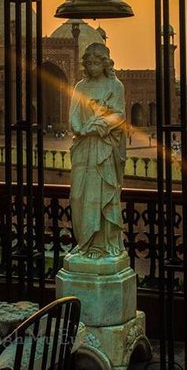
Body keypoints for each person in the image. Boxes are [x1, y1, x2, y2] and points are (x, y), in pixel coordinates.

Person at [68, 43, 126, 259]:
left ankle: (101, 245)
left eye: (96, 63)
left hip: (104, 147)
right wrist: (81, 128)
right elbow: (73, 114)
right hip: (83, 146)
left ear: (105, 63)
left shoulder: (115, 86)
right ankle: (84, 242)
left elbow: (120, 115)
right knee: (79, 196)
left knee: (101, 195)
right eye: (89, 63)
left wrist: (100, 124)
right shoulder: (80, 87)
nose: (92, 67)